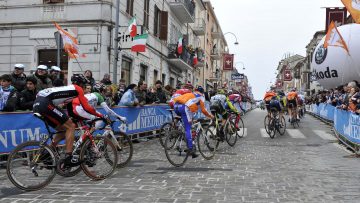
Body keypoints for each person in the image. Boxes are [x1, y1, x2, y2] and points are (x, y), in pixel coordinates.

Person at [33, 74, 104, 168]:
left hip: (37, 104)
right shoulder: (77, 89)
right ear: (81, 84)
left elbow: (71, 112)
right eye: (84, 85)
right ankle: (68, 157)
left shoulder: (70, 91)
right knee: (71, 126)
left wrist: (78, 119)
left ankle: (46, 153)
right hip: (45, 103)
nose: (84, 88)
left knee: (63, 130)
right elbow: (86, 107)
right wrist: (100, 115)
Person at [173, 88, 214, 158]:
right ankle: (190, 149)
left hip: (176, 106)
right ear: (202, 93)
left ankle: (183, 136)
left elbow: (192, 108)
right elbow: (203, 110)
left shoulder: (191, 94)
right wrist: (210, 116)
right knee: (188, 128)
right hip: (184, 107)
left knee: (188, 123)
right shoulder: (201, 96)